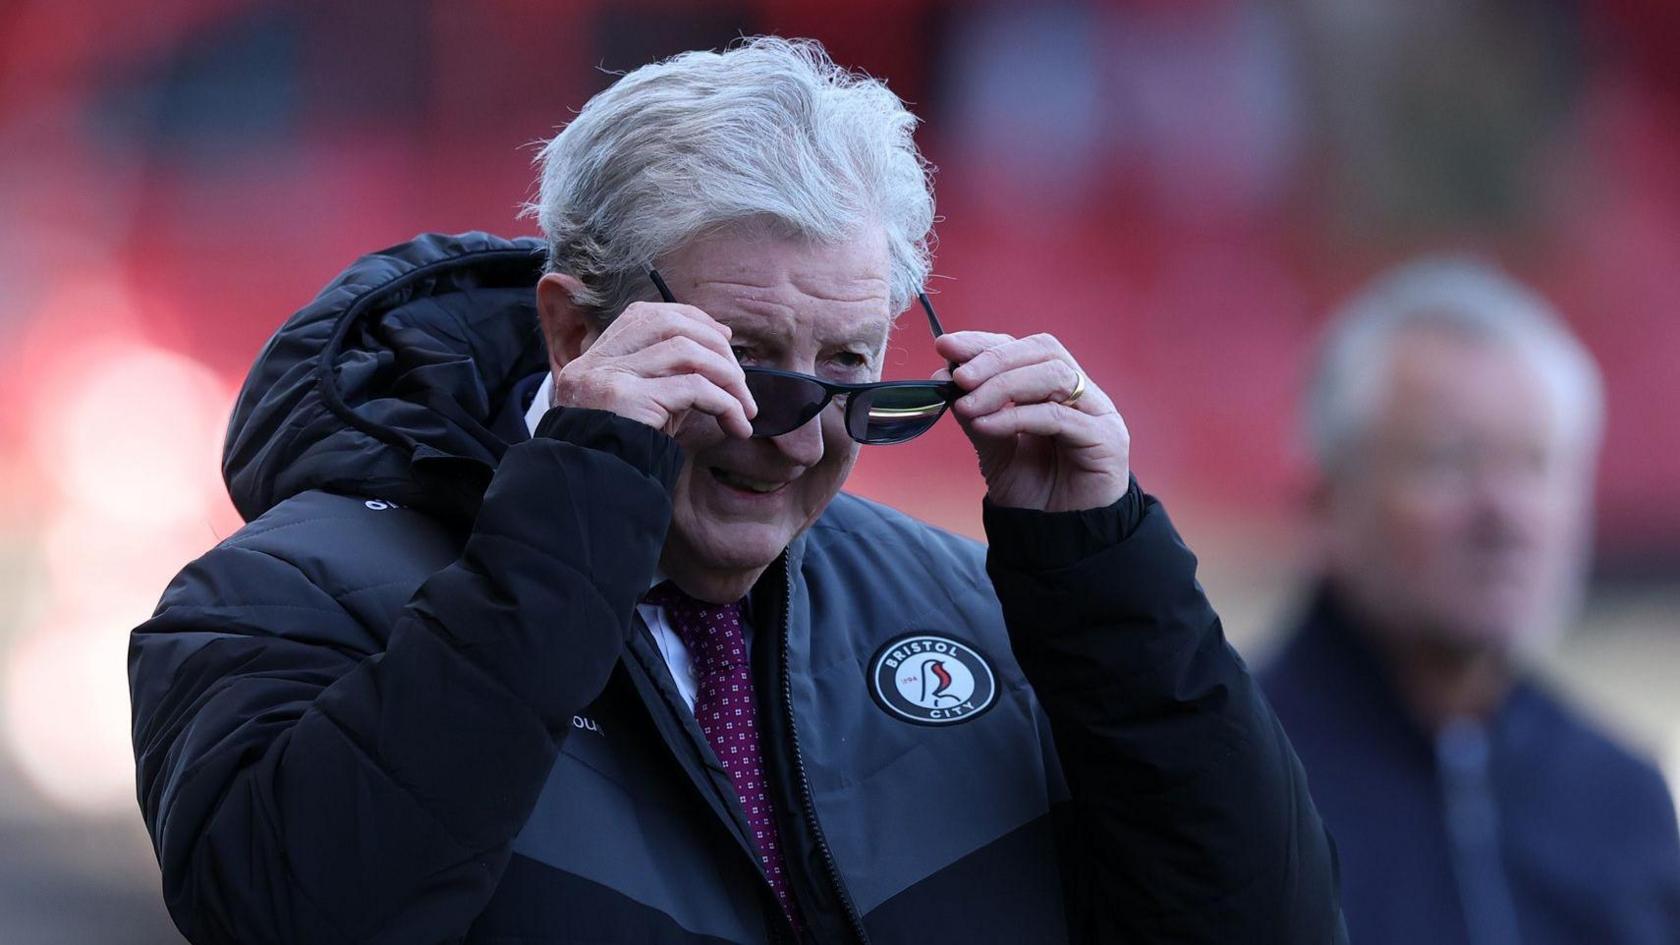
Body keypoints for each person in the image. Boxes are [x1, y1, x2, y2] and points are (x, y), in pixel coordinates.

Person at [129, 37, 1343, 944]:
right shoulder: (285, 595)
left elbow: (1261, 925)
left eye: (851, 370)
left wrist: (1106, 584)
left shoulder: (977, 608)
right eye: (743, 365)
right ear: (574, 331)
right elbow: (294, 914)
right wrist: (580, 508)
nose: (796, 439)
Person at [1262, 258, 1680, 944]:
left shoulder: (1620, 799)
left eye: (1536, 462)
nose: (1505, 513)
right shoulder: (1231, 773)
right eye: (1449, 460)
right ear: (1327, 502)